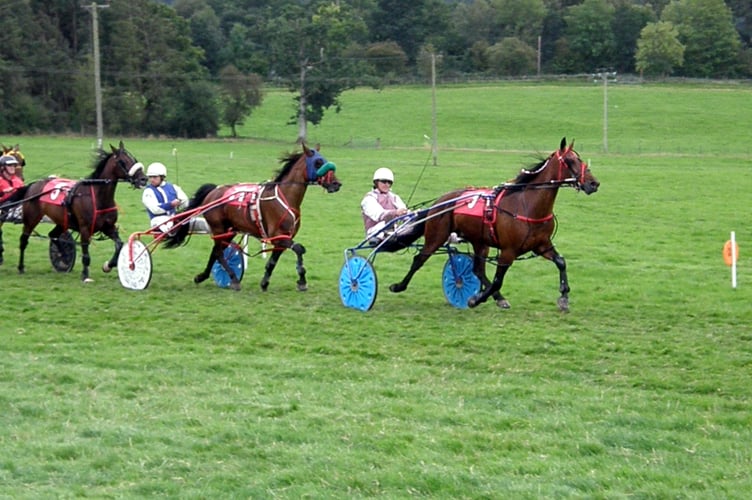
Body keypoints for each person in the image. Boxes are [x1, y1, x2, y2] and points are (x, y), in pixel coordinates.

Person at [361, 167, 426, 251]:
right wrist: (395, 212)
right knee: (386, 225)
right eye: (384, 181)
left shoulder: (394, 197)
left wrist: (415, 214)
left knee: (419, 222)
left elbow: (404, 213)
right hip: (375, 232)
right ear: (376, 182)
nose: (387, 185)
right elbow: (378, 215)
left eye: (389, 182)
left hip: (394, 230)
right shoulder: (369, 199)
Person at [142, 162, 189, 233]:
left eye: (154, 177)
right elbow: (155, 209)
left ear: (162, 177)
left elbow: (185, 201)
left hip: (174, 218)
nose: (151, 179)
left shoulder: (173, 187)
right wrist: (171, 204)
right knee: (169, 226)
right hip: (158, 220)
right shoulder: (148, 191)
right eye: (150, 177)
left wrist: (179, 203)